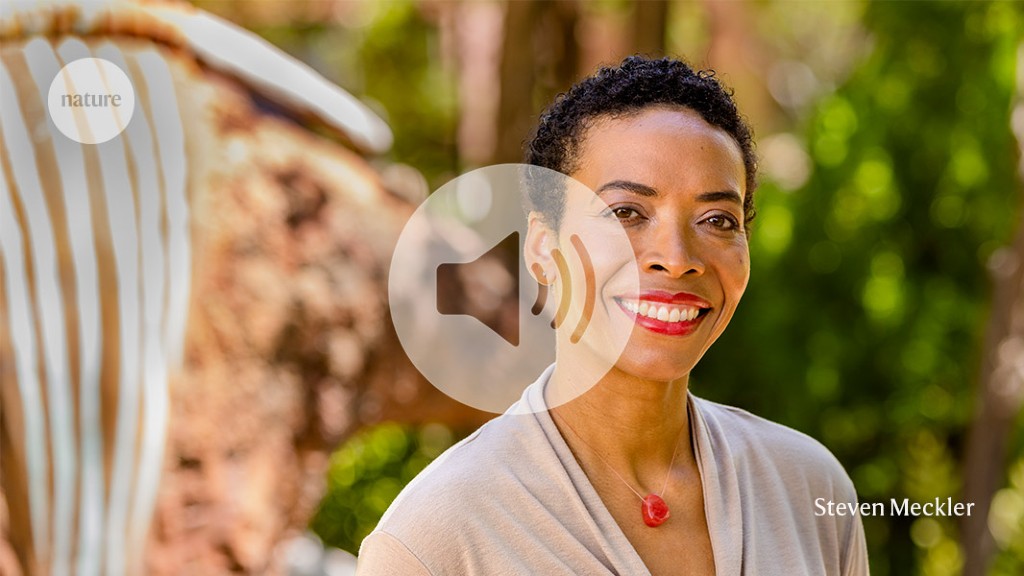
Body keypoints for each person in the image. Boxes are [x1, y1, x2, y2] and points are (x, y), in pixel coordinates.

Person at [356, 56, 869, 576]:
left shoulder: (811, 491)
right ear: (541, 248)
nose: (676, 256)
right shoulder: (433, 540)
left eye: (717, 219)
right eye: (625, 212)